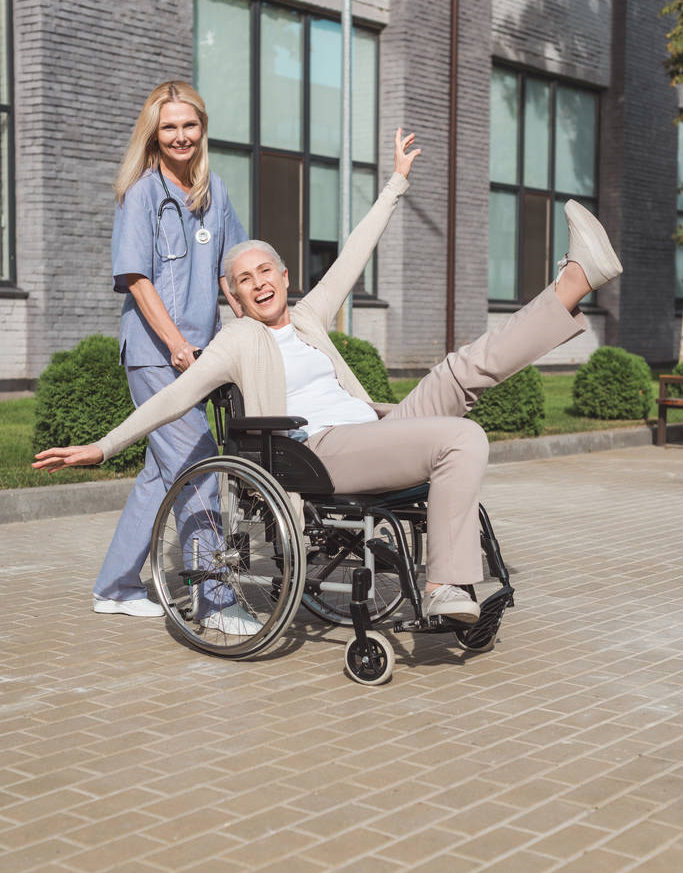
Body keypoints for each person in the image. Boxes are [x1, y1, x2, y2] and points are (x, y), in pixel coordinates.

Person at [35, 128, 622, 628]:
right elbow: (175, 396)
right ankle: (445, 585)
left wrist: (396, 183)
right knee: (463, 438)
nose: (258, 283)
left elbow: (355, 254)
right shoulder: (238, 339)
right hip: (320, 452)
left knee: (461, 368)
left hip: (375, 430)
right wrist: (103, 446)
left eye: (266, 270)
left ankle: (573, 282)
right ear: (233, 297)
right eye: (244, 280)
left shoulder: (310, 315)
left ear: (285, 276)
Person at [91, 81, 247, 619]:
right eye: (170, 127)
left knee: (162, 473)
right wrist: (177, 344)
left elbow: (232, 269)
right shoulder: (141, 194)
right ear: (154, 135)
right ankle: (215, 600)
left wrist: (258, 328)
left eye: (189, 125)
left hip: (202, 355)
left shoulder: (215, 192)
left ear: (203, 129)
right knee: (198, 465)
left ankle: (115, 587)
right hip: (156, 355)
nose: (181, 136)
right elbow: (137, 279)